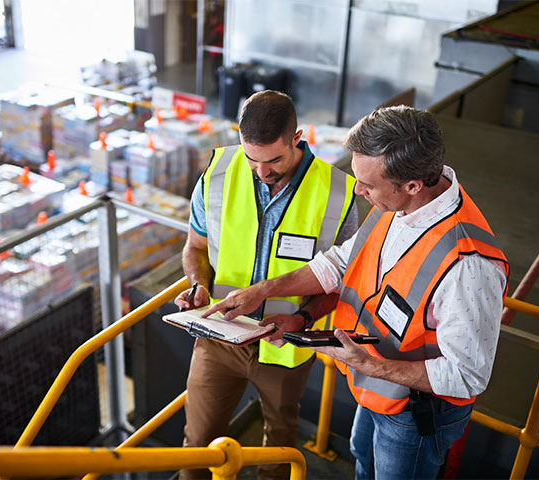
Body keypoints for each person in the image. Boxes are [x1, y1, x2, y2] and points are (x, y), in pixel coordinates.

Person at [204, 106, 509, 479]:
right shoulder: (397, 203)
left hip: (414, 413)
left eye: (367, 184)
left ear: (412, 185)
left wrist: (368, 364)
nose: (358, 190)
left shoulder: (468, 266)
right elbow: (339, 263)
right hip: (377, 387)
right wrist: (264, 291)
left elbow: (467, 376)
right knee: (362, 458)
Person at [174, 89, 358, 480]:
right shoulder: (219, 173)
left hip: (285, 348)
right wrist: (198, 285)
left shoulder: (339, 193)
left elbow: (343, 282)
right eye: (251, 158)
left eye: (273, 159)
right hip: (218, 337)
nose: (261, 171)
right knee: (198, 446)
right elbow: (195, 246)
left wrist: (305, 316)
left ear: (297, 137)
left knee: (278, 452)